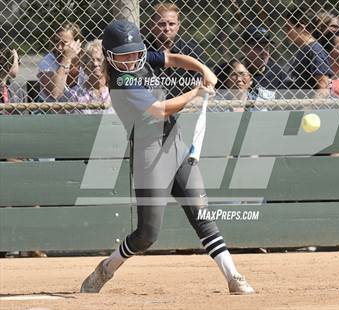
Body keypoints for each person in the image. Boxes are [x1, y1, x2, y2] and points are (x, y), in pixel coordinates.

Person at [80, 20, 254, 295]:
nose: (130, 60)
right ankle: (107, 268)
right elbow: (160, 110)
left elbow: (171, 58)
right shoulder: (121, 81)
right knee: (147, 235)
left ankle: (234, 277)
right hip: (149, 155)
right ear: (110, 55)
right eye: (122, 55)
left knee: (202, 215)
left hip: (175, 144)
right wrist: (196, 92)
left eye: (134, 53)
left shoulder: (140, 58)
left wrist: (203, 68)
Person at [145, 3, 205, 98]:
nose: (167, 28)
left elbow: (199, 87)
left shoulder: (191, 50)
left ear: (178, 25)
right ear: (151, 25)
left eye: (171, 24)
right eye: (161, 24)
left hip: (184, 107)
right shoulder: (143, 50)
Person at [283, 7, 332, 98]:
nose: (286, 33)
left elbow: (324, 88)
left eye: (288, 28)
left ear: (301, 28)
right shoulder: (305, 50)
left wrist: (307, 108)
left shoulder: (315, 50)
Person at [37, 23, 84, 102]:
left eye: (64, 43)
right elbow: (55, 94)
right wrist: (66, 60)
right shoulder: (47, 61)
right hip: (54, 112)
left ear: (77, 43)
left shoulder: (87, 60)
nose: (58, 47)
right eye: (56, 42)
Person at [239, 26, 287, 100]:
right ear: (244, 49)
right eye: (258, 47)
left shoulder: (278, 73)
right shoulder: (232, 71)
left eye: (266, 47)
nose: (264, 52)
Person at [77, 39, 114, 114]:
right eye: (90, 60)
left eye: (99, 60)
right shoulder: (77, 93)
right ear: (85, 64)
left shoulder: (115, 90)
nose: (95, 64)